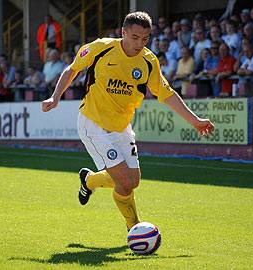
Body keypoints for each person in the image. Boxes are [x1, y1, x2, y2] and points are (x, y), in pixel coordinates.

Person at [41, 12, 214, 231]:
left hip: (122, 126)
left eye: (145, 39)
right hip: (93, 124)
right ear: (123, 32)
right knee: (123, 181)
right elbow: (73, 68)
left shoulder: (149, 62)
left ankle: (89, 181)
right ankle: (134, 228)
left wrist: (195, 120)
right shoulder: (100, 47)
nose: (139, 43)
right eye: (134, 37)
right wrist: (55, 97)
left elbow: (166, 93)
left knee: (132, 181)